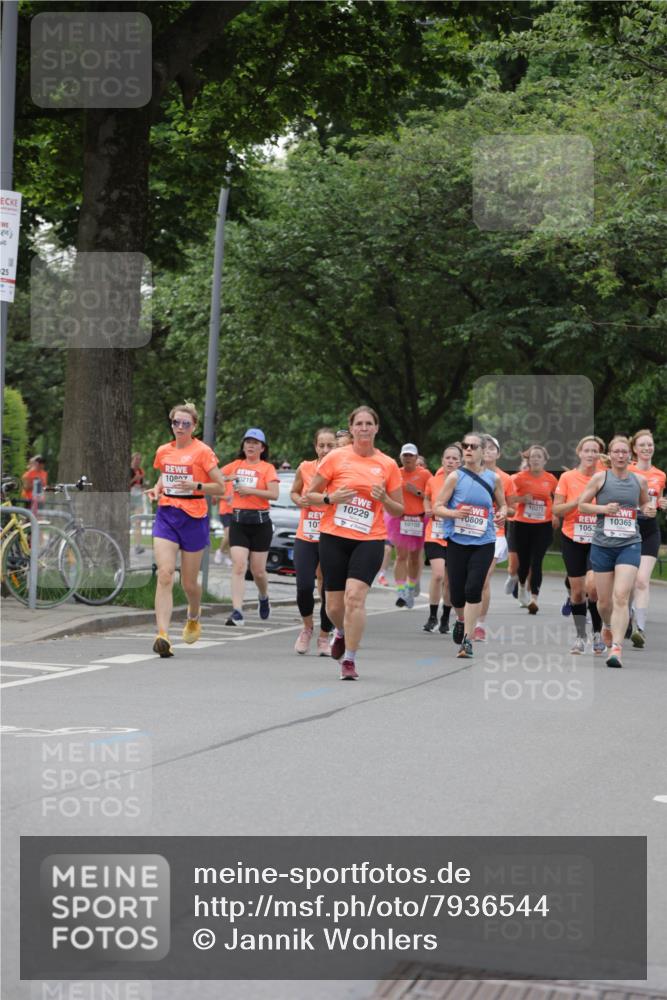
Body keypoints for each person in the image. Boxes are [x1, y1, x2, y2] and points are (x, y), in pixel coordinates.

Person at [308, 406, 404, 680]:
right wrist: (331, 499)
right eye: (358, 423)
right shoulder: (336, 458)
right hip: (334, 536)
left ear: (376, 428)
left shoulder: (387, 464)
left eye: (368, 423)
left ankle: (349, 659)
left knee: (355, 597)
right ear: (351, 428)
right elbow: (310, 495)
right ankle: (341, 630)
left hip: (369, 538)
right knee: (334, 606)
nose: (363, 428)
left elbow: (398, 510)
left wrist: (384, 498)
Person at [147, 403, 227, 657]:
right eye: (176, 423)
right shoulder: (163, 451)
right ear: (171, 424)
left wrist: (196, 485)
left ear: (194, 426)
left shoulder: (203, 452)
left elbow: (221, 487)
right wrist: (157, 488)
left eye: (186, 424)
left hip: (194, 516)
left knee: (189, 583)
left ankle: (194, 615)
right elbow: (165, 475)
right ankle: (163, 635)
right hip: (167, 514)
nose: (180, 428)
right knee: (165, 574)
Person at [578, 435, 652, 668]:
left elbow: (643, 505)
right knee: (603, 602)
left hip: (629, 543)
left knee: (621, 596)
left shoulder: (639, 481)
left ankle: (616, 649)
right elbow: (582, 505)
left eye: (624, 452)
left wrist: (649, 509)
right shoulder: (601, 477)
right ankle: (608, 626)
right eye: (616, 452)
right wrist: (603, 508)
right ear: (609, 455)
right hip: (602, 545)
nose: (620, 456)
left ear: (630, 455)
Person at [433, 433, 507, 658]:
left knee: (474, 588)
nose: (468, 450)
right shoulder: (455, 477)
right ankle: (462, 618)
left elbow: (503, 505)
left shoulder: (494, 479)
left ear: (483, 451)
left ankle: (467, 639)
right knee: (456, 594)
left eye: (473, 447)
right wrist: (454, 513)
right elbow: (437, 506)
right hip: (457, 540)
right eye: (465, 446)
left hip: (484, 542)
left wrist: (502, 513)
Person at [553, 436, 607, 655]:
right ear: (579, 453)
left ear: (600, 455)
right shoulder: (567, 478)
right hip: (572, 538)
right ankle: (580, 636)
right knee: (577, 593)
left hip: (598, 539)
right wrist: (577, 502)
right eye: (587, 450)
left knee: (592, 587)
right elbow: (556, 510)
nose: (591, 454)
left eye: (595, 451)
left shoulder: (605, 478)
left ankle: (597, 633)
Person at [221, 428, 279, 626]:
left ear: (262, 448)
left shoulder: (267, 468)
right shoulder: (236, 465)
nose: (251, 445)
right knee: (238, 566)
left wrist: (250, 490)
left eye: (255, 443)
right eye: (248, 442)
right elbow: (215, 475)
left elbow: (274, 494)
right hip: (238, 521)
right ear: (243, 446)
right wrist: (223, 478)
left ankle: (263, 596)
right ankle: (237, 611)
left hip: (260, 523)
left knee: (258, 571)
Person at [290, 427, 337, 655]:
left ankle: (324, 636)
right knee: (304, 586)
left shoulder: (343, 471)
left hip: (331, 535)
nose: (326, 450)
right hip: (306, 535)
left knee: (329, 587)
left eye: (331, 445)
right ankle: (307, 628)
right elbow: (294, 492)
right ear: (315, 447)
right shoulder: (305, 468)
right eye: (322, 445)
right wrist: (300, 501)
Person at [507, 445, 558, 614]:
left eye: (539, 456)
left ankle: (534, 598)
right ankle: (522, 586)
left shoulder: (551, 479)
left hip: (543, 525)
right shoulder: (517, 478)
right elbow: (506, 499)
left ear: (545, 460)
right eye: (532, 456)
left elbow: (557, 499)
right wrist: (522, 498)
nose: (535, 459)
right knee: (524, 563)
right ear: (528, 460)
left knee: (537, 562)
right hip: (522, 524)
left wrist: (556, 515)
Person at [627, 429, 666, 648]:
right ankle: (625, 617)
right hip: (628, 529)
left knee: (642, 580)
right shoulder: (627, 471)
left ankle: (639, 628)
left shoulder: (660, 475)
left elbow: (657, 501)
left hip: (650, 530)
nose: (646, 448)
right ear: (634, 448)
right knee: (629, 580)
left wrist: (661, 506)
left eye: (649, 445)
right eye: (642, 445)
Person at [476, 435, 515, 641]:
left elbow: (513, 509)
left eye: (493, 448)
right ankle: (466, 619)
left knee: (483, 579)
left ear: (498, 454)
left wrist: (502, 512)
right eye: (485, 448)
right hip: (471, 531)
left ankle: (480, 624)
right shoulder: (470, 474)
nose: (488, 451)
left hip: (494, 534)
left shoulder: (506, 479)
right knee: (468, 580)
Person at [422, 443, 462, 633]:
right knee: (438, 575)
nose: (451, 461)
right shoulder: (433, 480)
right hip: (435, 533)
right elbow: (427, 497)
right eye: (448, 458)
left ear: (460, 463)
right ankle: (432, 616)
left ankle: (445, 618)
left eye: (455, 459)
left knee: (450, 580)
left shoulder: (463, 483)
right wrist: (427, 508)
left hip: (454, 536)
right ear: (442, 461)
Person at [386, 443, 431, 609]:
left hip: (419, 520)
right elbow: (388, 493)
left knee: (414, 558)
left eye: (411, 455)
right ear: (401, 457)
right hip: (401, 519)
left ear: (417, 457)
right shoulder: (396, 473)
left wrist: (417, 492)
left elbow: (433, 496)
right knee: (400, 556)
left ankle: (411, 588)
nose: (408, 458)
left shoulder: (425, 474)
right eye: (405, 455)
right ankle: (401, 591)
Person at [213, 482, 233, 566]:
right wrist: (226, 498)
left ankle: (229, 557)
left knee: (232, 535)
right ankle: (220, 551)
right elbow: (215, 497)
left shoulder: (238, 481)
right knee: (228, 533)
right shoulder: (223, 482)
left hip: (235, 511)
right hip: (224, 511)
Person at [130, 452, 146, 554]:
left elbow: (141, 484)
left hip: (138, 497)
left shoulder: (141, 471)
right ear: (132, 459)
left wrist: (144, 487)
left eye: (140, 459)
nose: (138, 461)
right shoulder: (129, 470)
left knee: (138, 522)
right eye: (136, 459)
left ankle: (138, 545)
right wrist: (134, 479)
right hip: (128, 497)